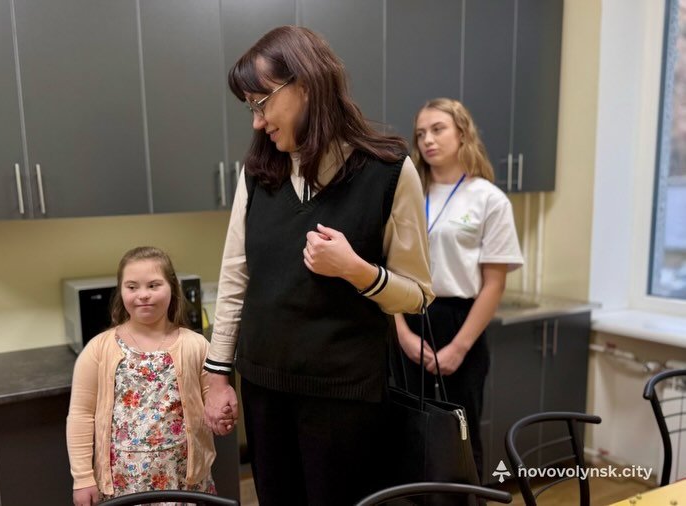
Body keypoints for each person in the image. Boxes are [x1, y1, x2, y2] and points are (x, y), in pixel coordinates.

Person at [201, 26, 434, 506]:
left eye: (261, 103)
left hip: (345, 395)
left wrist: (357, 270)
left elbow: (419, 294)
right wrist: (217, 377)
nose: (257, 123)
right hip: (264, 387)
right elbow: (235, 278)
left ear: (305, 84)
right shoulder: (258, 173)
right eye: (250, 108)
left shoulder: (389, 170)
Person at [396, 98, 524, 478]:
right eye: (421, 133)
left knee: (460, 436)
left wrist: (458, 348)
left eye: (438, 129)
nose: (427, 140)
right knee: (409, 433)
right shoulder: (408, 194)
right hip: (408, 316)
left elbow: (494, 285)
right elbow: (388, 270)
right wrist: (402, 333)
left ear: (463, 134)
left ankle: (467, 499)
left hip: (460, 323)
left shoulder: (488, 199)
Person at [67, 246, 219, 506]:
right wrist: (82, 478)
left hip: (185, 481)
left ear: (172, 288)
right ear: (121, 291)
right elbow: (80, 416)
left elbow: (212, 401)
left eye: (153, 285)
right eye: (132, 287)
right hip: (123, 485)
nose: (143, 294)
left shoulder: (196, 345)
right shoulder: (99, 349)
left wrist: (221, 413)